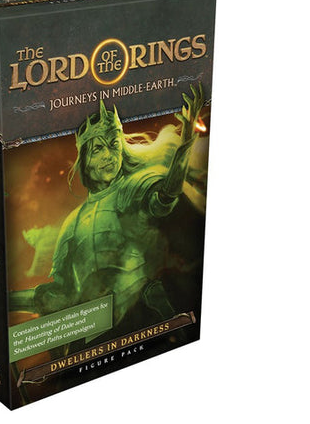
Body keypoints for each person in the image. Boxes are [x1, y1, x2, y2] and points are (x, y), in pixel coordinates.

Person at [10, 84, 204, 330]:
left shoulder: (132, 189)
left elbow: (165, 197)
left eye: (113, 144)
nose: (108, 156)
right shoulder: (73, 223)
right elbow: (61, 295)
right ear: (85, 159)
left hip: (146, 318)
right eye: (98, 149)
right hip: (99, 329)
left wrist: (185, 143)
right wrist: (8, 301)